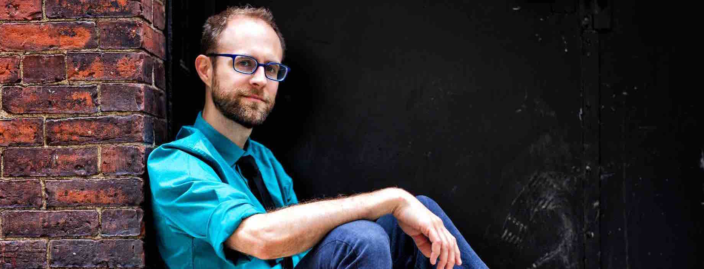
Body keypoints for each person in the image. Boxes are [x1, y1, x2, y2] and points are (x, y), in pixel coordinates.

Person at [147, 5, 487, 269]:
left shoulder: (263, 161)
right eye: (245, 63)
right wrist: (388, 200)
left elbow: (305, 246)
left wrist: (402, 206)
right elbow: (261, 238)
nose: (260, 80)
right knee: (361, 239)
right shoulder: (176, 165)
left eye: (271, 69)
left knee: (421, 214)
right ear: (206, 69)